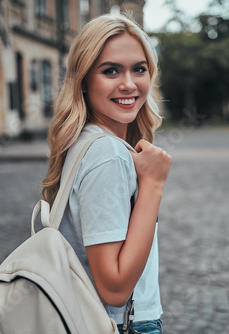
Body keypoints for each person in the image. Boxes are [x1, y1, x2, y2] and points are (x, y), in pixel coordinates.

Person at [41, 13, 171, 334]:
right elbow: (114, 288)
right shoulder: (107, 153)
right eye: (111, 70)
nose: (129, 84)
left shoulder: (85, 141)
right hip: (123, 324)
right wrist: (153, 184)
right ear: (84, 81)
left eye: (139, 69)